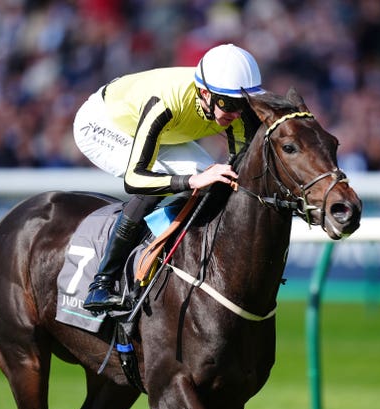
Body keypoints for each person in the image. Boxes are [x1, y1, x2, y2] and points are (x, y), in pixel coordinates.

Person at [73, 43, 265, 312]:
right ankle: (101, 284)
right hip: (106, 123)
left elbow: (241, 172)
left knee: (217, 181)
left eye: (244, 104)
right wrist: (189, 181)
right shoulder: (166, 101)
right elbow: (135, 179)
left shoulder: (230, 106)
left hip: (165, 133)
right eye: (230, 104)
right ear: (205, 93)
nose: (237, 113)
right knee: (160, 181)